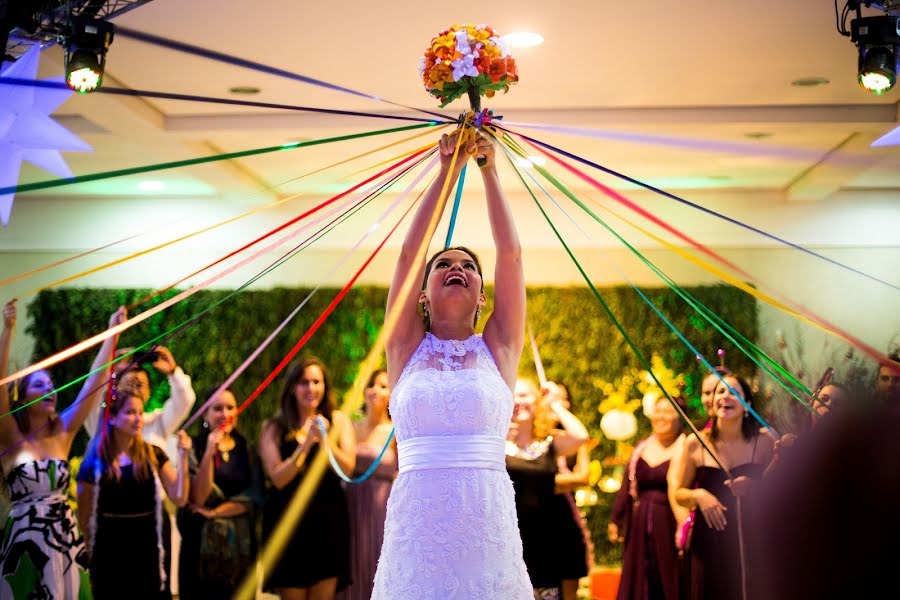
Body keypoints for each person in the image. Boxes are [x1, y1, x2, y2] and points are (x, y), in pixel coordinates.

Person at [371, 130, 533, 599]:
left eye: (467, 264)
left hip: (487, 519)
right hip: (418, 520)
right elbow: (407, 255)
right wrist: (446, 174)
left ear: (483, 294)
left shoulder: (499, 348)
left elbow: (512, 255)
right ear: (421, 293)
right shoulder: (404, 348)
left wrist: (489, 169)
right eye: (442, 264)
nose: (455, 266)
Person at [0, 299, 124, 599]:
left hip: (65, 539)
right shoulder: (9, 435)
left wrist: (112, 334)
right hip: (25, 543)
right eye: (39, 385)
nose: (49, 391)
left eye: (51, 386)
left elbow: (93, 384)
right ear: (23, 397)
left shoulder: (64, 432)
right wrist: (8, 330)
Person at [85, 345, 197, 597]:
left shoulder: (157, 424)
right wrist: (111, 362)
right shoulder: (101, 430)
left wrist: (174, 371)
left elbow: (185, 399)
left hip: (152, 528)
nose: (135, 387)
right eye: (130, 381)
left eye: (141, 383)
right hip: (111, 535)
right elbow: (91, 395)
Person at [259, 357, 355, 600]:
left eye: (316, 382)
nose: (311, 388)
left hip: (327, 522)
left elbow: (348, 468)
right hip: (289, 524)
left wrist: (325, 443)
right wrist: (305, 446)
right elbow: (278, 478)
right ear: (292, 387)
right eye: (304, 382)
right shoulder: (274, 427)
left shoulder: (339, 420)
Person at [672, 375, 773, 600]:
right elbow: (679, 493)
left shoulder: (764, 441)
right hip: (708, 541)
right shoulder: (695, 442)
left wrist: (755, 486)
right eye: (720, 391)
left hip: (750, 538)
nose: (726, 396)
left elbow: (778, 489)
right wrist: (699, 495)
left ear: (747, 404)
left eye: (734, 392)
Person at [506, 379, 589, 599]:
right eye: (512, 394)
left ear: (535, 401)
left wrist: (555, 404)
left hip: (547, 541)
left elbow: (580, 436)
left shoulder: (549, 446)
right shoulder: (496, 445)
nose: (517, 401)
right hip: (510, 541)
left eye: (523, 395)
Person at [179, 386, 263, 599]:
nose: (224, 414)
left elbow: (254, 496)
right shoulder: (193, 447)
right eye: (217, 408)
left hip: (239, 552)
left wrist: (215, 513)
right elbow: (198, 497)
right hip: (199, 553)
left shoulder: (247, 449)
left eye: (230, 407)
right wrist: (209, 451)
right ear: (205, 414)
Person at [610, 394, 686, 600]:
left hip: (669, 520)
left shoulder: (685, 447)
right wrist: (616, 519)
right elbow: (627, 485)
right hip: (640, 521)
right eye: (657, 411)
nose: (661, 417)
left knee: (668, 576)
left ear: (679, 417)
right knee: (639, 576)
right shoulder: (641, 448)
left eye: (667, 412)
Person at [337, 369, 397, 600]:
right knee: (351, 558)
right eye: (371, 384)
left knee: (378, 558)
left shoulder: (396, 430)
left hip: (383, 506)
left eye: (383, 385)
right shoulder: (349, 427)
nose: (375, 390)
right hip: (350, 502)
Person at [550, 383, 593, 600]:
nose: (556, 402)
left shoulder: (575, 440)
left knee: (569, 586)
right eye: (551, 397)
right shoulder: (535, 438)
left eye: (562, 398)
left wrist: (543, 481)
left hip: (566, 518)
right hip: (538, 518)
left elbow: (583, 477)